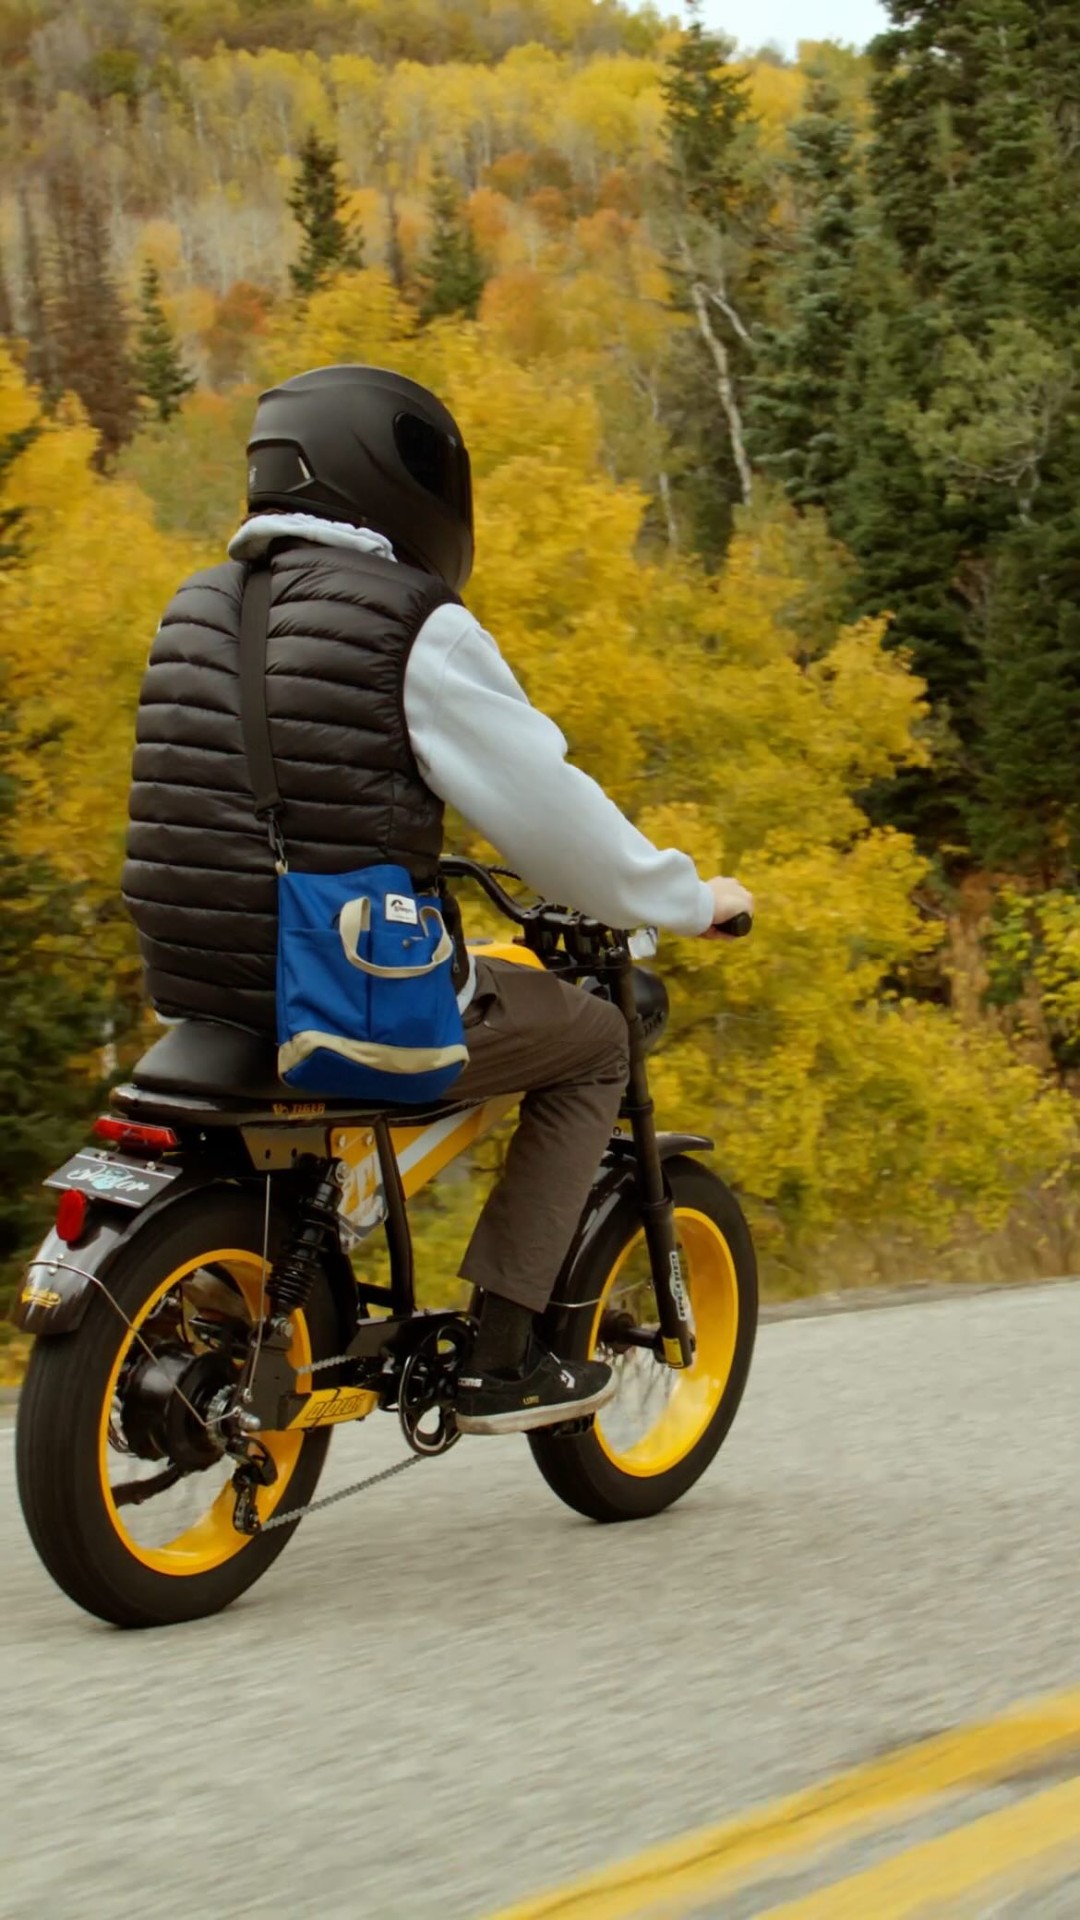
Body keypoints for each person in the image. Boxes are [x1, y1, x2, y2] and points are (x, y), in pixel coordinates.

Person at [123, 365, 753, 1437]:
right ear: (400, 479)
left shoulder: (197, 605)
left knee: (474, 1002)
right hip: (336, 987)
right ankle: (504, 1351)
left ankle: (324, 1237)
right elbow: (551, 813)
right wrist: (684, 897)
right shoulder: (410, 624)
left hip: (203, 980)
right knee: (591, 1035)